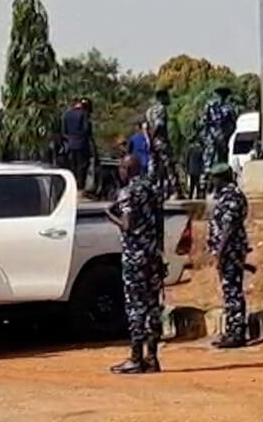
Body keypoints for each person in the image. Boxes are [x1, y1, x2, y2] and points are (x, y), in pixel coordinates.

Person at [105, 155, 164, 374]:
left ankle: (136, 358)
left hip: (135, 258)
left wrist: (111, 216)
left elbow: (127, 225)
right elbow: (159, 224)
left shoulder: (127, 192)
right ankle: (153, 357)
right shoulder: (152, 189)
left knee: (135, 308)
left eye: (121, 167)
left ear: (126, 170)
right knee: (153, 307)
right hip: (152, 256)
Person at [207, 163, 250, 348]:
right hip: (228, 250)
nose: (212, 182)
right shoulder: (224, 195)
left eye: (214, 178)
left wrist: (220, 253)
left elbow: (229, 228)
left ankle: (236, 332)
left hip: (230, 250)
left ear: (221, 178)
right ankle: (232, 329)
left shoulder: (232, 196)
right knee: (229, 289)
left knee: (232, 290)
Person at [145, 89, 182, 199]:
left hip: (152, 143)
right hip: (161, 141)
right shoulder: (161, 109)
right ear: (161, 97)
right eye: (167, 96)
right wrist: (153, 138)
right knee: (169, 166)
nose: (168, 99)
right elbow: (158, 125)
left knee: (153, 167)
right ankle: (176, 192)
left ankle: (150, 189)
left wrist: (149, 141)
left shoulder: (149, 110)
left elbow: (145, 127)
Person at [200, 87, 240, 189]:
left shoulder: (228, 108)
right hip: (213, 138)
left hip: (221, 138)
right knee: (211, 160)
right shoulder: (211, 106)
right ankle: (206, 184)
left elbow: (234, 123)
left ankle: (216, 183)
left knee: (220, 160)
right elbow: (204, 122)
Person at [61, 98, 94, 191]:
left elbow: (64, 131)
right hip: (81, 143)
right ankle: (80, 186)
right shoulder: (83, 114)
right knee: (82, 165)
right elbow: (86, 129)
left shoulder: (67, 114)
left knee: (72, 165)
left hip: (70, 144)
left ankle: (71, 184)